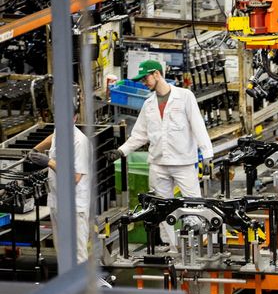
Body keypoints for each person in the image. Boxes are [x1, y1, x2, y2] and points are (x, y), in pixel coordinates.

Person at [106, 60, 213, 247]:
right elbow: (139, 135)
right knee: (162, 210)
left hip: (183, 163)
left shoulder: (185, 96)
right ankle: (172, 248)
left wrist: (207, 155)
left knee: (194, 206)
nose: (143, 83)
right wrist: (120, 151)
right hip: (158, 164)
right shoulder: (148, 105)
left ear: (156, 74)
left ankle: (198, 247)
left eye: (145, 78)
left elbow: (198, 126)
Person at [27, 103, 92, 268]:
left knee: (77, 253)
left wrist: (48, 162)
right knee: (62, 250)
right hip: (57, 202)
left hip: (74, 206)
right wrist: (35, 149)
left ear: (74, 118)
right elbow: (52, 137)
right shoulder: (60, 131)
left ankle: (81, 289)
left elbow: (75, 177)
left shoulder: (79, 142)